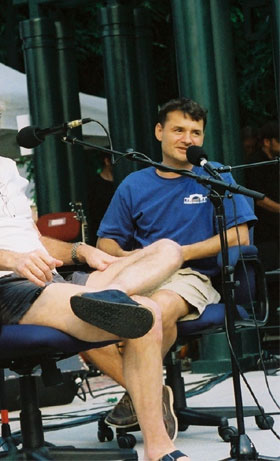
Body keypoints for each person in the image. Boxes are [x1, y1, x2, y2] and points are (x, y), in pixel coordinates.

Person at [0, 66, 188, 461]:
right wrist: (15, 259)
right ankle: (99, 296)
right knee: (137, 312)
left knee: (164, 261)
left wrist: (81, 252)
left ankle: (159, 451)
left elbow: (34, 239)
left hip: (52, 280)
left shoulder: (8, 167)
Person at [91, 97, 255, 431]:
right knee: (83, 317)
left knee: (154, 310)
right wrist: (137, 258)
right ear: (159, 131)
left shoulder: (216, 176)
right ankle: (149, 392)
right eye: (178, 129)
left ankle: (139, 396)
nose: (188, 138)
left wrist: (179, 253)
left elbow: (239, 236)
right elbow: (105, 243)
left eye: (196, 131)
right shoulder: (134, 184)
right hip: (141, 274)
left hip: (194, 276)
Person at [245, 120, 279, 273]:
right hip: (265, 232)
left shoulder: (275, 162)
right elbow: (258, 199)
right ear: (267, 141)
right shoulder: (256, 163)